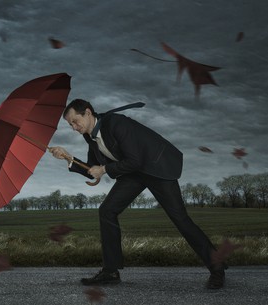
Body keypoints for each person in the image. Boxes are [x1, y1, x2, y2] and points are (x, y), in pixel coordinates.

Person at [49, 98, 225, 289]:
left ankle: (217, 269)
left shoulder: (116, 123)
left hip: (157, 167)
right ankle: (110, 271)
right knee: (107, 210)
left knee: (180, 219)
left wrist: (105, 170)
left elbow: (135, 160)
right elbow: (93, 169)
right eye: (70, 124)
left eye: (75, 121)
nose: (74, 127)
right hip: (133, 172)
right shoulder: (89, 136)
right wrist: (67, 157)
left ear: (88, 113)